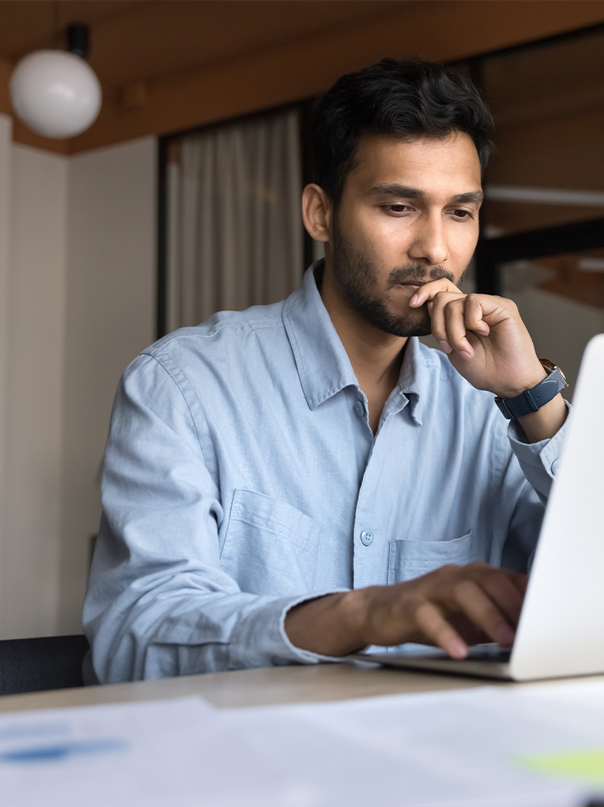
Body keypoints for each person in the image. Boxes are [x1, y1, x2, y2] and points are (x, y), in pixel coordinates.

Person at [83, 59, 569, 683]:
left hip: (449, 757)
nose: (437, 249)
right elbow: (134, 639)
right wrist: (359, 616)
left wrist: (533, 400)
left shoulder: (491, 404)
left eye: (460, 212)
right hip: (252, 766)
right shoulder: (182, 384)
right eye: (398, 206)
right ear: (320, 214)